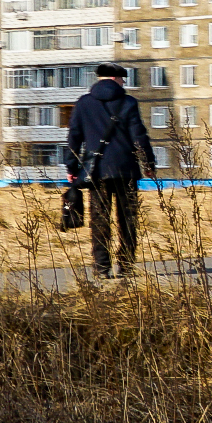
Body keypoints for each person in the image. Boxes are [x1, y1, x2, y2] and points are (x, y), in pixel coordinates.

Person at [65, 63, 155, 280]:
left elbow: (74, 137)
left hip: (97, 173)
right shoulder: (128, 102)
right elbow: (139, 136)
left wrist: (72, 167)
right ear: (115, 78)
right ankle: (125, 266)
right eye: (123, 79)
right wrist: (149, 163)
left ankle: (102, 268)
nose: (124, 83)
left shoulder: (84, 103)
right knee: (128, 219)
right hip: (126, 171)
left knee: (100, 220)